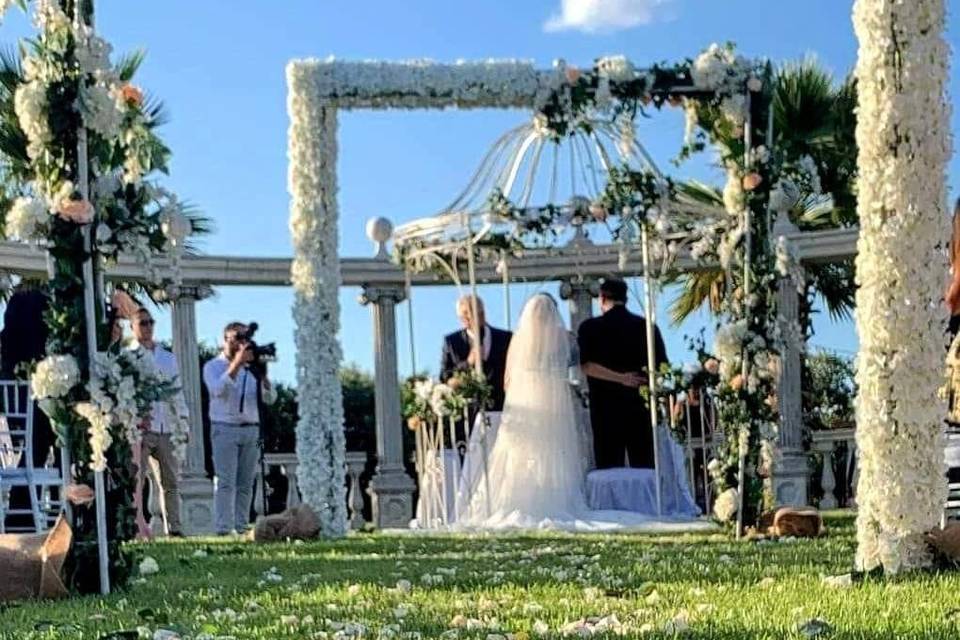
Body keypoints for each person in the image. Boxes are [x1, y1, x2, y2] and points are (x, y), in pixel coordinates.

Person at [454, 294, 695, 531]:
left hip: (526, 405)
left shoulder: (517, 341)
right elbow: (577, 370)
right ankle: (558, 498)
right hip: (554, 402)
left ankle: (521, 497)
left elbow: (508, 382)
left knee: (522, 453)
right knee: (555, 452)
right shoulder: (564, 339)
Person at [578, 278, 669, 469]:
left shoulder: (590, 328)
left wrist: (620, 378)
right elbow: (662, 369)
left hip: (605, 409)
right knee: (644, 465)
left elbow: (587, 366)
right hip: (640, 407)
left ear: (602, 298)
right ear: (625, 298)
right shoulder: (647, 328)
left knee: (608, 466)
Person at [202, 322, 276, 535]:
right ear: (226, 339)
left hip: (251, 428)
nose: (242, 341)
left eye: (245, 337)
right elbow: (217, 391)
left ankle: (242, 526)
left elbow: (269, 399)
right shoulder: (213, 366)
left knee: (246, 482)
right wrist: (236, 363)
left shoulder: (250, 370)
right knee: (226, 481)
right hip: (224, 427)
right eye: (237, 337)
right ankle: (224, 528)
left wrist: (263, 375)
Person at [129, 307, 189, 537]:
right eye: (142, 323)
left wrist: (183, 420)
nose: (148, 327)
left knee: (170, 481)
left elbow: (176, 390)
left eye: (150, 322)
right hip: (142, 427)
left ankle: (174, 527)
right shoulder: (129, 356)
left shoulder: (167, 357)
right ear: (133, 327)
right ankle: (137, 526)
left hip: (166, 426)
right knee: (138, 480)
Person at [440, 295, 512, 412]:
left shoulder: (505, 338)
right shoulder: (452, 342)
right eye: (463, 315)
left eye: (471, 313)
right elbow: (445, 375)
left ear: (482, 313)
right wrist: (468, 362)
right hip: (468, 412)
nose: (467, 318)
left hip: (502, 407)